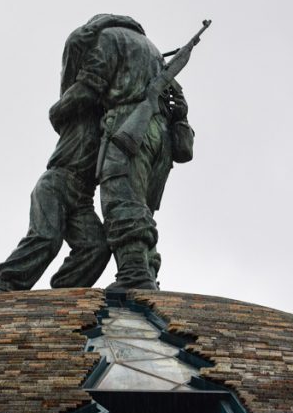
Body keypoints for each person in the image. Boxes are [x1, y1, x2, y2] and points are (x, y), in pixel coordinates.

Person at [0, 15, 143, 292]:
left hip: (82, 198)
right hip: (57, 185)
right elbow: (74, 47)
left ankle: (63, 293)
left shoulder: (112, 123)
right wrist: (103, 25)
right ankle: (6, 285)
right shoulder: (76, 110)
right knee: (46, 238)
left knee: (96, 247)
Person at [49, 17, 194, 290]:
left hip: (129, 128)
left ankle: (134, 274)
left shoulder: (109, 39)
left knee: (121, 199)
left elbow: (89, 88)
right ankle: (146, 269)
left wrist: (58, 110)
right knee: (142, 208)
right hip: (159, 139)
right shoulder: (153, 53)